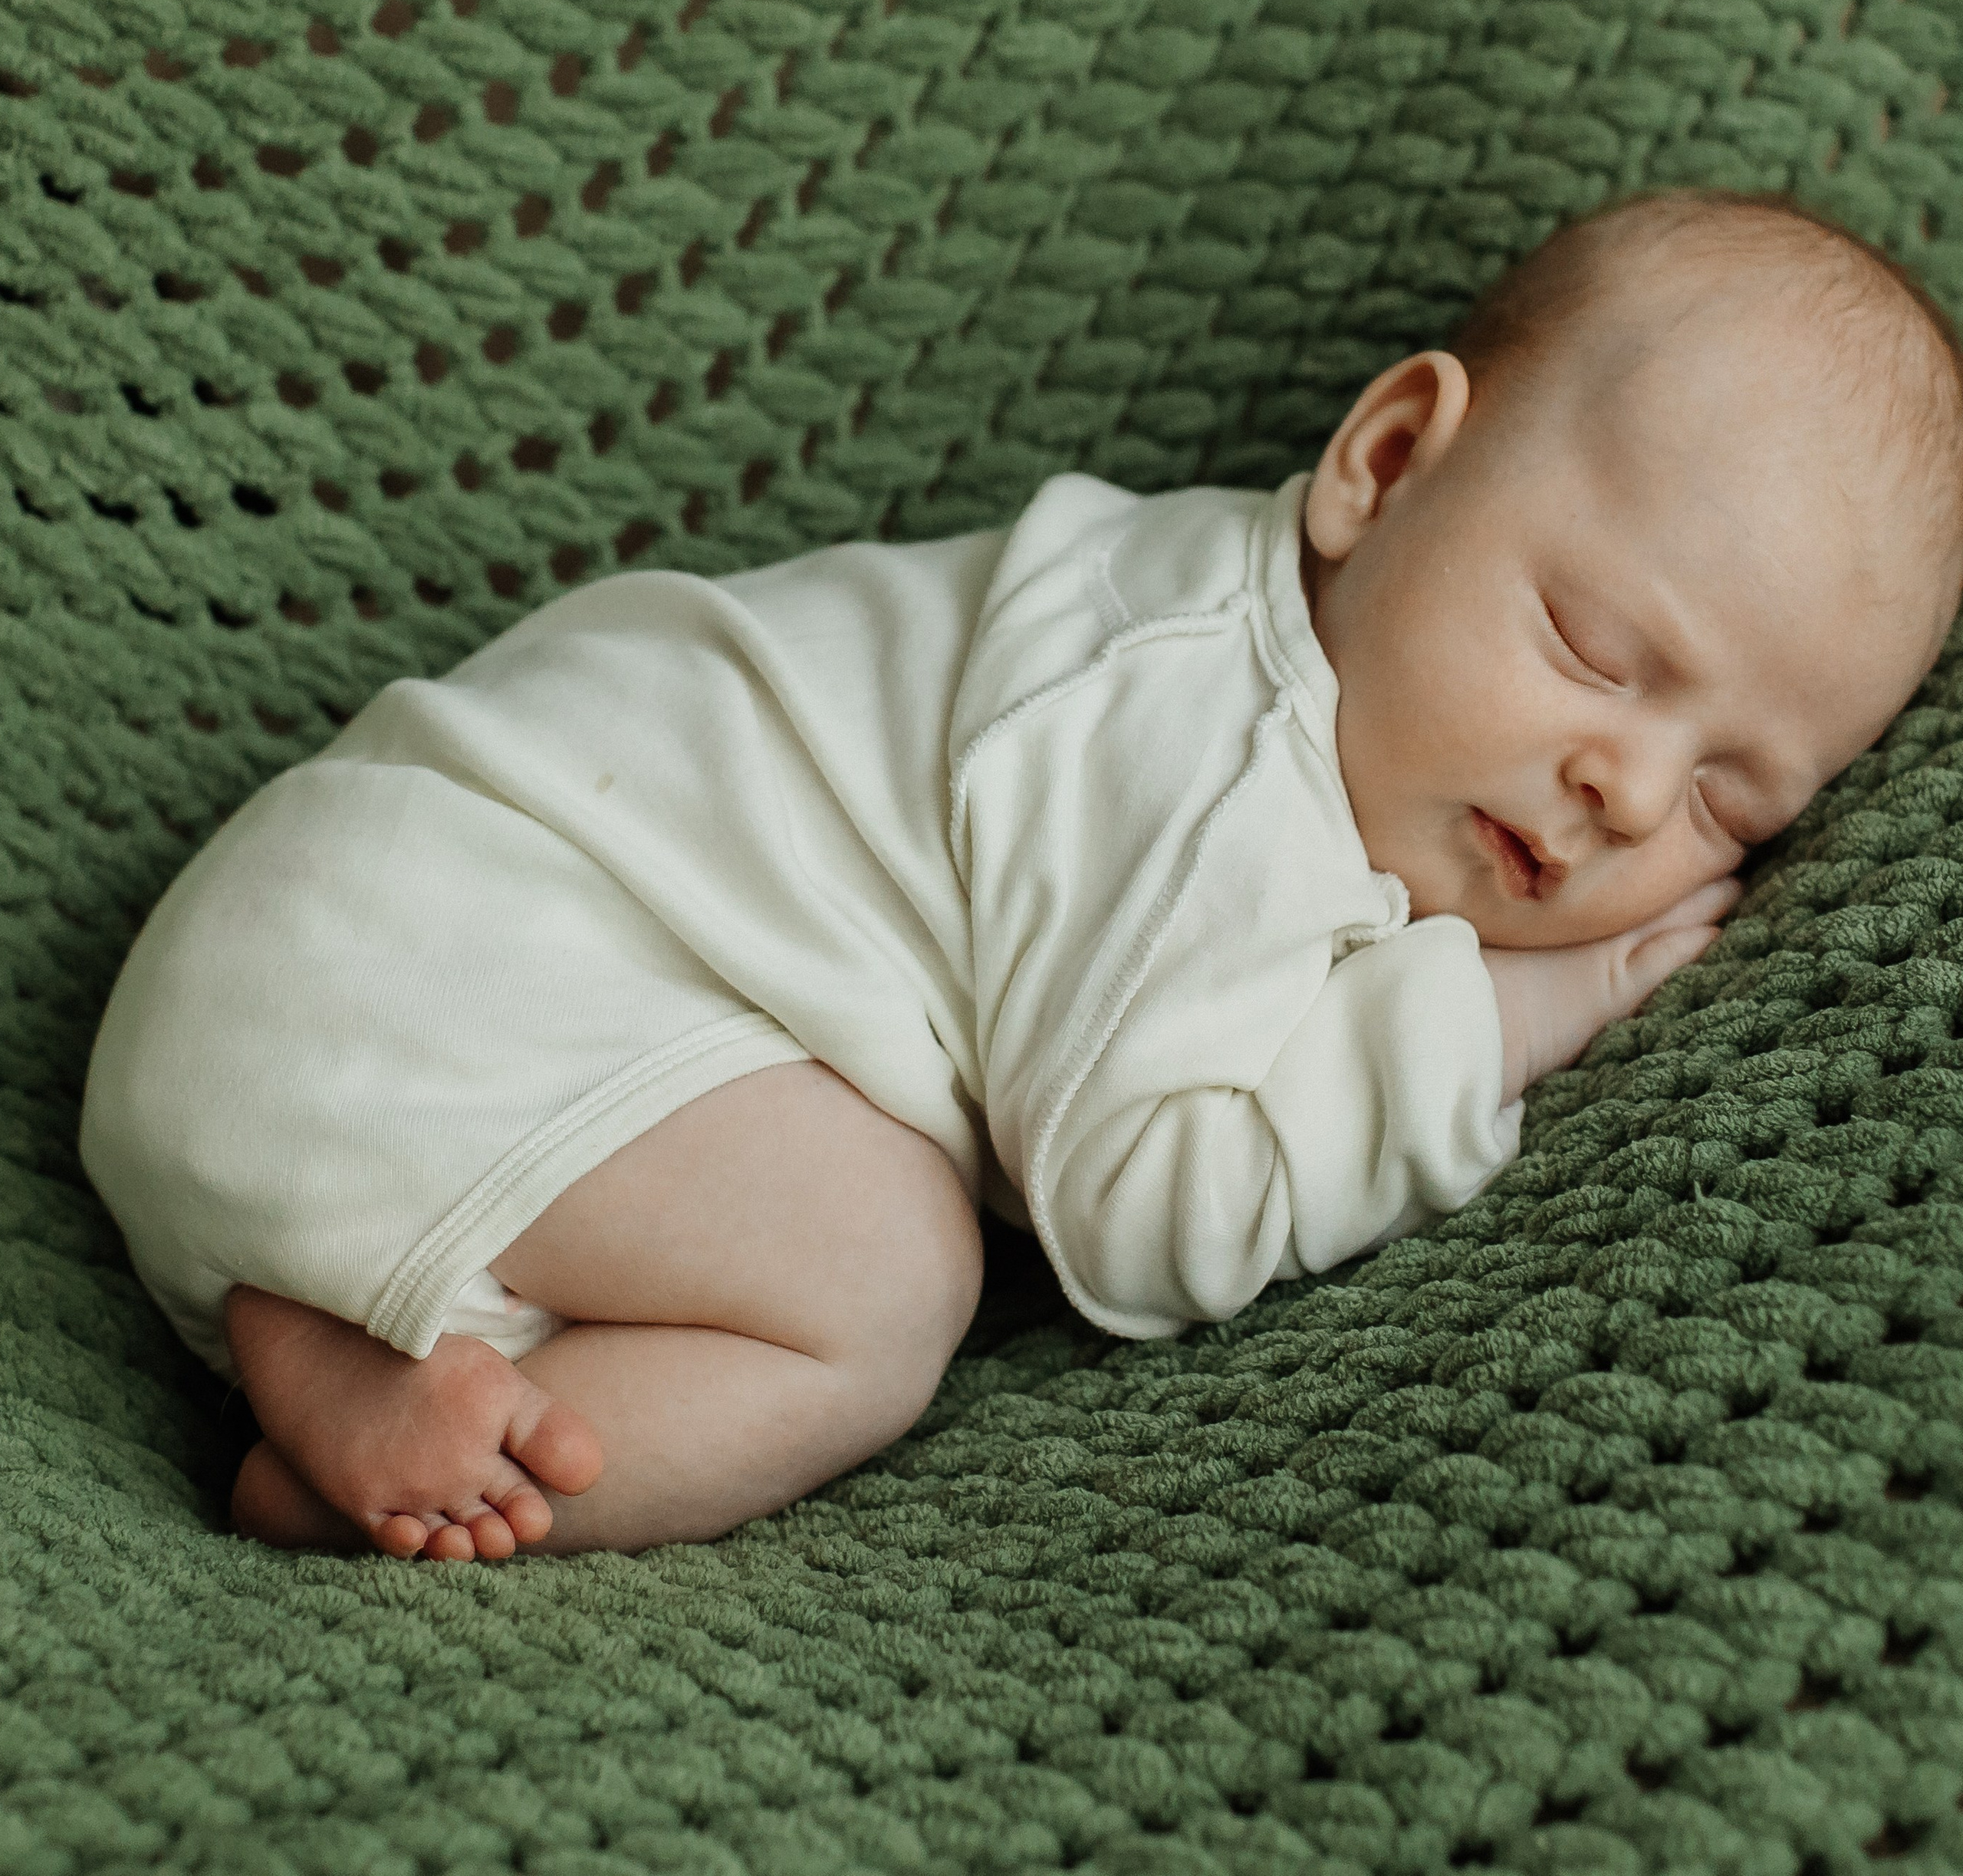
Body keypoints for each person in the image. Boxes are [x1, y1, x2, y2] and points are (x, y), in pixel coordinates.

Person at [77, 186, 1963, 1560]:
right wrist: (1489, 1020)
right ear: (1380, 468)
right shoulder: (1196, 747)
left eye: (1733, 797)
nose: (1624, 787)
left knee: (823, 1183)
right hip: (422, 950)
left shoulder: (1288, 680)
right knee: (880, 1278)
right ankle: (340, 1478)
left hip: (350, 1002)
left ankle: (334, 1345)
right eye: (1588, 644)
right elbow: (1136, 1209)